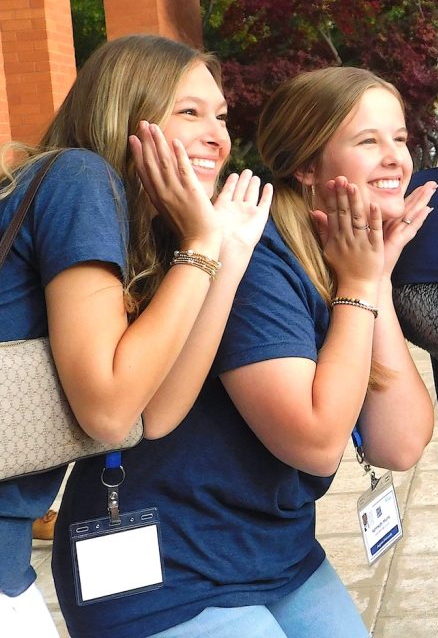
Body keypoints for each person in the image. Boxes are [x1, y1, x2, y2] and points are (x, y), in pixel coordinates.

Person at [53, 66, 436, 637]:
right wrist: (358, 288)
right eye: (367, 141)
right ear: (306, 166)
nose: (395, 159)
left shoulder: (338, 252)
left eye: (400, 139)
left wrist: (374, 279)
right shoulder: (257, 254)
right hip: (168, 567)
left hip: (275, 553)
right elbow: (315, 440)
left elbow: (400, 443)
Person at [0, 34, 271, 637]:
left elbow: (153, 415)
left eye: (221, 116)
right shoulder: (80, 178)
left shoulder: (125, 222)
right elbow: (108, 406)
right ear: (127, 115)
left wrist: (223, 255)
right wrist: (202, 247)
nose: (217, 136)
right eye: (189, 112)